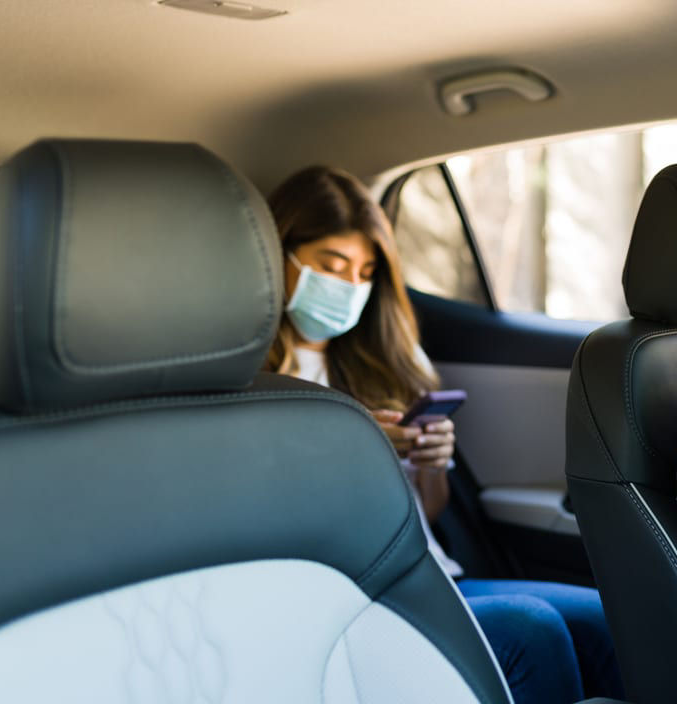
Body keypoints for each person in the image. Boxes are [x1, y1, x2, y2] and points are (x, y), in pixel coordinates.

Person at [266, 165, 624, 704]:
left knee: (607, 620)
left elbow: (428, 513)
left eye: (366, 273)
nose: (350, 288)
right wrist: (357, 450)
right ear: (279, 258)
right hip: (360, 592)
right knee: (531, 630)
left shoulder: (381, 361)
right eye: (332, 266)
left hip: (434, 574)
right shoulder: (252, 376)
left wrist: (431, 462)